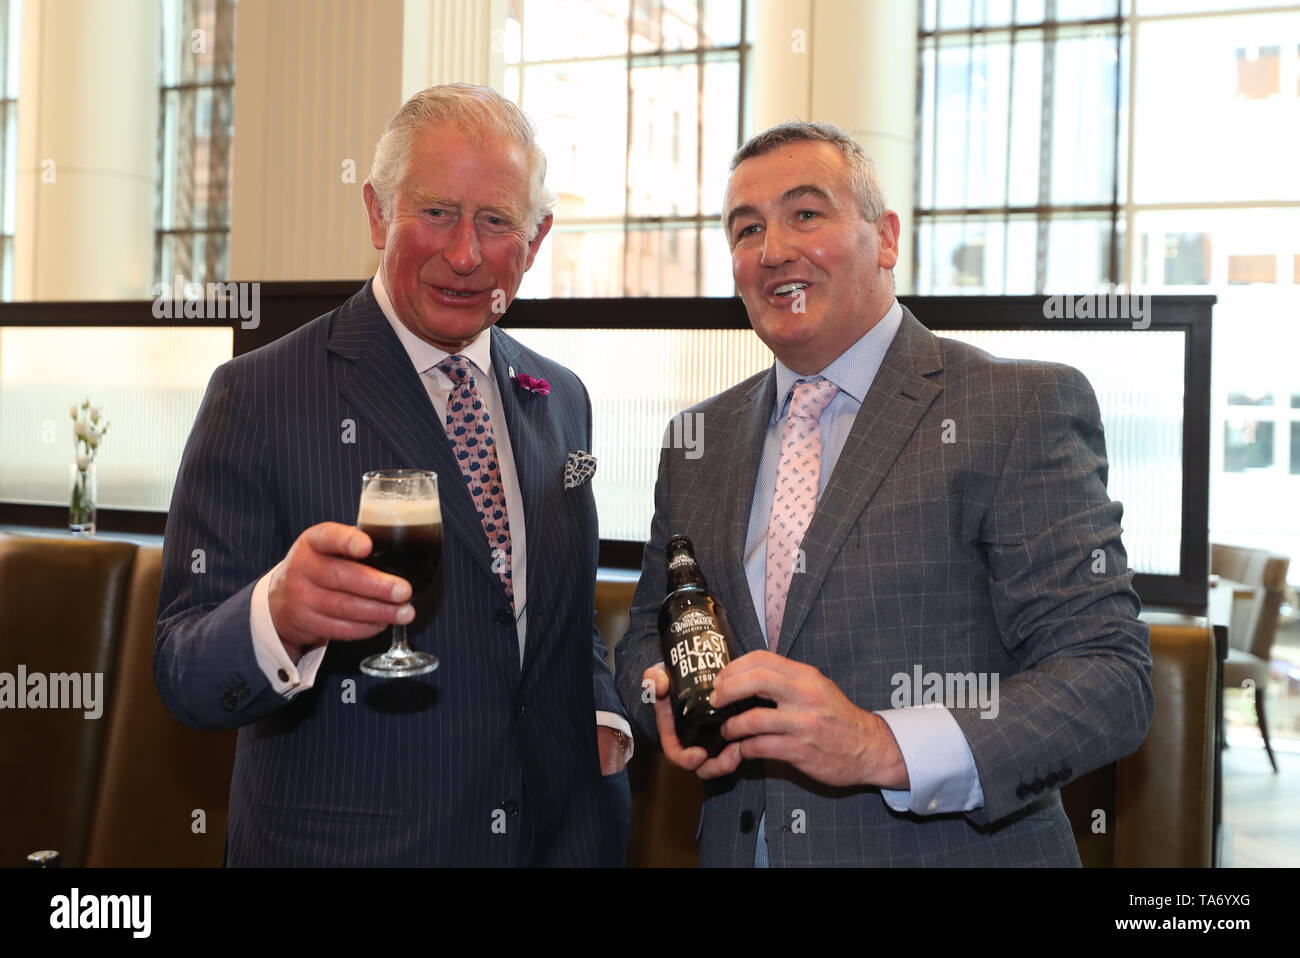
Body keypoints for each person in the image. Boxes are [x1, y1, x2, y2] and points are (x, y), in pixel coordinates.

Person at [614, 121, 1154, 867]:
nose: (773, 250)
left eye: (807, 214)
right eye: (747, 228)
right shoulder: (695, 442)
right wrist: (662, 698)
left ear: (887, 238)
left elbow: (1109, 679)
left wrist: (880, 746)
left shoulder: (1015, 407)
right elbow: (648, 629)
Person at [155, 83, 632, 866]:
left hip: (559, 840)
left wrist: (603, 714)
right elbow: (184, 674)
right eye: (437, 212)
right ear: (377, 213)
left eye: (496, 221)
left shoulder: (561, 398)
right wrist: (280, 615)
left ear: (536, 238)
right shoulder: (259, 393)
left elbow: (554, 612)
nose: (465, 253)